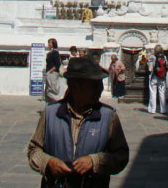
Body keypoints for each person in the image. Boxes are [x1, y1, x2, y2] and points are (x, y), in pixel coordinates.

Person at [27, 56, 129, 187]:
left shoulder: (108, 116)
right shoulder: (51, 113)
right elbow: (34, 150)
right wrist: (48, 163)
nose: (100, 89)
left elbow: (121, 155)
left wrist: (95, 161)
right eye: (93, 85)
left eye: (100, 84)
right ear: (74, 86)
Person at [147, 44, 168, 114]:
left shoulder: (153, 57)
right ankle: (163, 109)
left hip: (154, 77)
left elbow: (150, 68)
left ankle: (152, 109)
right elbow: (166, 65)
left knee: (153, 93)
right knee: (162, 94)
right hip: (162, 77)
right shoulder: (164, 57)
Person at [44, 38, 62, 102]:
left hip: (52, 74)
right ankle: (48, 106)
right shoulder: (49, 53)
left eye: (49, 43)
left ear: (53, 44)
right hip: (49, 73)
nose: (48, 44)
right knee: (47, 91)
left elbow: (57, 64)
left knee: (52, 90)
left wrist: (50, 71)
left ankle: (55, 103)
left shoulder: (55, 52)